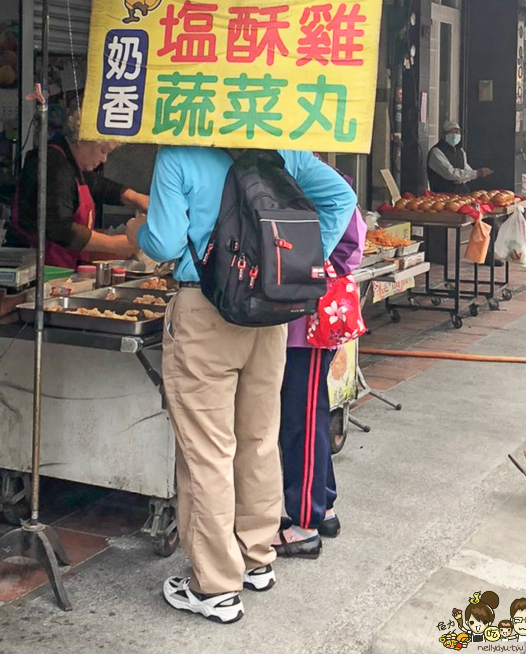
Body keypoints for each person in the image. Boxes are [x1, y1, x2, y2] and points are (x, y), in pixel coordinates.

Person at [127, 147, 355, 624]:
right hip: (269, 315)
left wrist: (138, 233)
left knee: (207, 451)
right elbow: (342, 197)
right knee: (258, 439)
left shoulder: (179, 157)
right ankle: (255, 558)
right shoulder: (284, 149)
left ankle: (213, 586)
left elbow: (165, 244)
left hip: (204, 311)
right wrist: (302, 264)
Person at [277, 198, 365, 558]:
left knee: (304, 420)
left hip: (309, 321)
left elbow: (351, 247)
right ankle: (323, 508)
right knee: (308, 414)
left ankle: (305, 526)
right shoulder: (320, 181)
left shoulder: (321, 183)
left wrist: (310, 265)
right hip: (305, 317)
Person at [11, 109, 148, 266]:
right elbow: (60, 228)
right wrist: (115, 245)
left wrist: (136, 197)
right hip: (42, 265)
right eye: (103, 151)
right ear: (82, 140)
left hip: (64, 262)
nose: (104, 159)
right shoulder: (55, 165)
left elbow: (96, 184)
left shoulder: (71, 162)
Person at [427, 119, 493, 194]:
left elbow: (467, 171)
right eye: (452, 132)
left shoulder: (460, 151)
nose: (456, 134)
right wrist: (476, 173)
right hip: (443, 195)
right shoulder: (436, 152)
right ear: (443, 134)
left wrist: (462, 177)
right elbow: (450, 173)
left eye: (457, 132)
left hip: (461, 193)